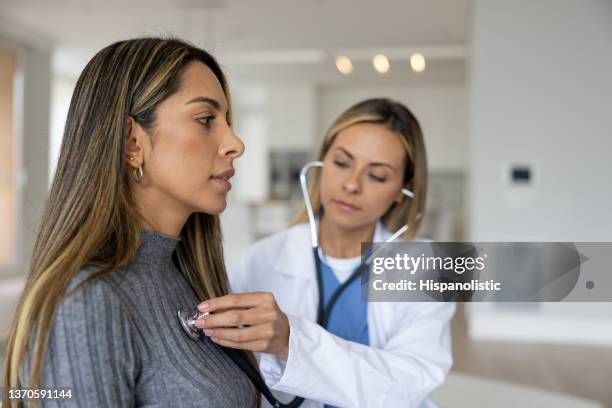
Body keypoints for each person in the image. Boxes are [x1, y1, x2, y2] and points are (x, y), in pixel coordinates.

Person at [2, 37, 258, 407]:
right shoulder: (86, 301)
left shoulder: (184, 276)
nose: (236, 143)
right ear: (132, 142)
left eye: (376, 174)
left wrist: (291, 342)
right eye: (205, 120)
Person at [195, 98, 456, 407]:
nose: (351, 184)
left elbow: (410, 384)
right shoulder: (262, 260)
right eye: (342, 163)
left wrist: (292, 342)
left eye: (377, 175)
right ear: (322, 163)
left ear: (404, 190)